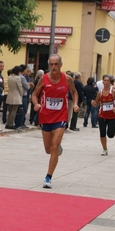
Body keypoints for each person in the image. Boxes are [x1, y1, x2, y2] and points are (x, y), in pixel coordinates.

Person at [31, 54, 79, 189]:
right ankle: (57, 149)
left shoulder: (67, 79)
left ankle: (48, 177)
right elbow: (34, 94)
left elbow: (74, 92)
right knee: (48, 149)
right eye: (51, 64)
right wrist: (36, 104)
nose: (53, 67)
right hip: (45, 116)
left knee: (54, 146)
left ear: (61, 65)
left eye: (56, 64)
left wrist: (75, 104)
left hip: (61, 116)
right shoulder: (43, 79)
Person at [91, 75, 115, 156]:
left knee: (110, 135)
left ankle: (113, 130)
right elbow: (96, 103)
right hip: (102, 115)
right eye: (105, 80)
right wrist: (93, 103)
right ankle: (104, 149)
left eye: (108, 81)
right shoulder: (99, 93)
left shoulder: (113, 91)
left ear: (110, 82)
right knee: (102, 133)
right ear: (103, 82)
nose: (106, 82)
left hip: (112, 116)